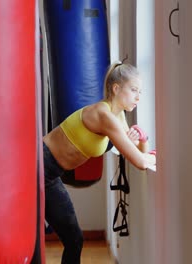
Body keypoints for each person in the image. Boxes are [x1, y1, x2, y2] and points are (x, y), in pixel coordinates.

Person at [43, 62, 156, 263]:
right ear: (116, 88)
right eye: (133, 90)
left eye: (140, 92)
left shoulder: (118, 116)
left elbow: (138, 152)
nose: (138, 97)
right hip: (39, 164)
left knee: (74, 239)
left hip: (50, 175)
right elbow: (139, 161)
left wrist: (143, 139)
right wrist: (152, 155)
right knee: (33, 236)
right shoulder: (105, 116)